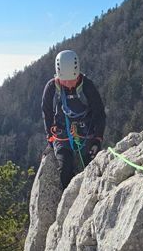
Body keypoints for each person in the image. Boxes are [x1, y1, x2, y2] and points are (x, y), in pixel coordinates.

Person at [42, 49, 106, 190]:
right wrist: (50, 137)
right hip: (62, 135)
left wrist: (98, 138)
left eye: (72, 80)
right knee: (64, 170)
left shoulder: (87, 86)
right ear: (58, 75)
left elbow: (99, 112)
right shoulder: (52, 87)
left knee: (93, 168)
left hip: (86, 132)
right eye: (65, 80)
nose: (69, 84)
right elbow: (47, 112)